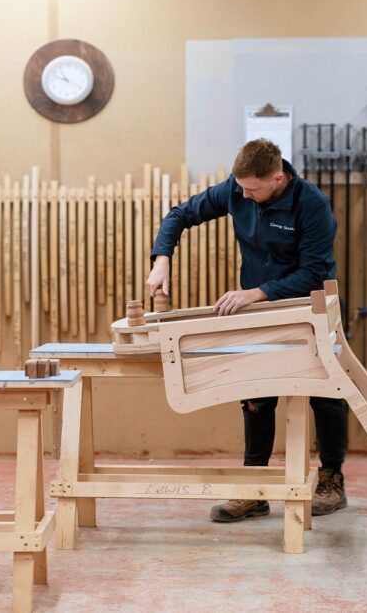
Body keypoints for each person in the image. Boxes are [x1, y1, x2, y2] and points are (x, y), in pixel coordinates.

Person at [147, 138, 348, 522]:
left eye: (252, 189)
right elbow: (179, 215)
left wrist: (257, 293)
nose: (242, 194)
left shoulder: (312, 205)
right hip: (258, 311)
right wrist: (162, 260)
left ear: (277, 178)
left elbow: (315, 272)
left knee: (327, 393)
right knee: (256, 392)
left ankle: (331, 479)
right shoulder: (236, 189)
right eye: (239, 187)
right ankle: (254, 488)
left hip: (310, 307)